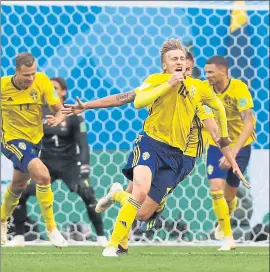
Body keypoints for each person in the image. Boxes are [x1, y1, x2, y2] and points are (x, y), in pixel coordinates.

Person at [63, 39, 249, 256]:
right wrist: (86, 105)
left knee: (140, 212)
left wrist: (233, 160)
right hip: (150, 143)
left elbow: (217, 132)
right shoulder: (155, 82)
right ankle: (115, 245)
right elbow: (129, 99)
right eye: (176, 60)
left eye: (185, 62)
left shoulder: (197, 92)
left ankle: (117, 195)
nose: (182, 65)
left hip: (180, 158)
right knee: (139, 191)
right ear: (165, 65)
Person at [10, 77, 108, 247]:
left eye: (55, 88)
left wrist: (84, 167)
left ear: (63, 92)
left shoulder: (72, 115)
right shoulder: (37, 113)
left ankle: (101, 237)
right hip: (45, 162)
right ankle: (19, 237)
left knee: (87, 192)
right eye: (49, 88)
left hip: (69, 163)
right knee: (21, 192)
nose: (51, 90)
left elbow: (83, 144)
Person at [1, 52, 67, 247]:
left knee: (18, 185)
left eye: (33, 73)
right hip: (11, 139)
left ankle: (2, 219)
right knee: (43, 176)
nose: (30, 78)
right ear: (16, 72)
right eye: (26, 75)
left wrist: (58, 118)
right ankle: (52, 229)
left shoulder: (42, 81)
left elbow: (60, 109)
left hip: (34, 140)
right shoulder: (3, 86)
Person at [204, 55, 256, 250]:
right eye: (206, 72)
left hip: (240, 146)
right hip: (217, 144)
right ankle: (228, 238)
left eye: (211, 72)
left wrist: (233, 152)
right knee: (215, 187)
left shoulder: (239, 89)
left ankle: (222, 221)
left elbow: (249, 122)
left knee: (229, 196)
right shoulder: (205, 89)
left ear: (223, 72)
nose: (207, 76)